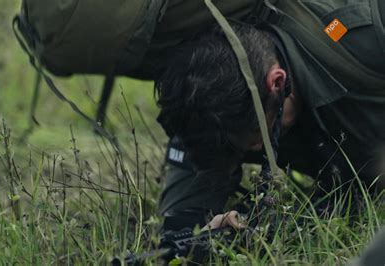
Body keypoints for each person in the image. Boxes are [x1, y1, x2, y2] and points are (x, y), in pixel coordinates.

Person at [152, 1, 385, 231]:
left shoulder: (360, 35)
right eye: (239, 147)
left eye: (255, 136)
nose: (257, 148)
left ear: (277, 83)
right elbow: (181, 221)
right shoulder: (213, 116)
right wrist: (205, 230)